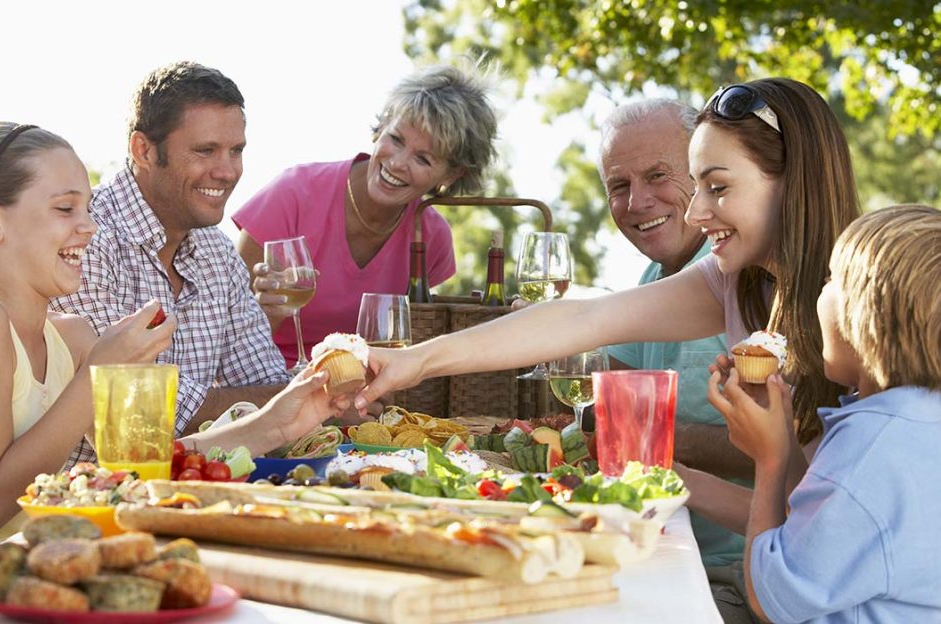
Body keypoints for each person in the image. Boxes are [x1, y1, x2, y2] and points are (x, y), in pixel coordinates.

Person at [353, 77, 860, 621]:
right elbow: (583, 318)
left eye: (717, 187)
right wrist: (413, 362)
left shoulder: (860, 309)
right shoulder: (735, 283)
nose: (695, 213)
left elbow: (815, 530)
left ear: (791, 182)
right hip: (774, 578)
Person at [0, 123, 343, 554]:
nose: (88, 227)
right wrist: (98, 373)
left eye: (87, 208)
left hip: (53, 567)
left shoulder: (72, 336)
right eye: (66, 209)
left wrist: (277, 420)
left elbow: (150, 465)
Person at [707, 204, 941, 622]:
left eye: (832, 280)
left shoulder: (871, 450)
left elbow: (771, 599)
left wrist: (770, 460)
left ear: (867, 312)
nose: (820, 291)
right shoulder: (915, 426)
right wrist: (778, 435)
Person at [52, 62, 291, 466]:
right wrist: (298, 402)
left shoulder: (217, 251)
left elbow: (262, 378)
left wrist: (312, 398)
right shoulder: (84, 238)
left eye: (236, 151)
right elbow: (139, 411)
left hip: (190, 494)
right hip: (85, 503)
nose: (228, 171)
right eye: (205, 150)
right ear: (143, 151)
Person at [233, 63, 498, 367]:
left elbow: (410, 343)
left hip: (363, 390)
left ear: (451, 175)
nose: (397, 163)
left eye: (423, 158)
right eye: (396, 139)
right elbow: (225, 338)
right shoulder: (293, 194)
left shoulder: (431, 236)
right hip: (268, 379)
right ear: (382, 127)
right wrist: (267, 313)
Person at [598, 99, 749, 569]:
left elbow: (799, 450)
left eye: (658, 175)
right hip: (653, 547)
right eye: (619, 185)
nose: (637, 201)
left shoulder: (742, 271)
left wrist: (654, 438)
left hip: (733, 572)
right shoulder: (652, 277)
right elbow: (607, 398)